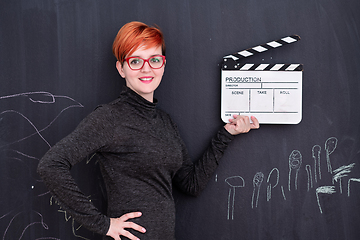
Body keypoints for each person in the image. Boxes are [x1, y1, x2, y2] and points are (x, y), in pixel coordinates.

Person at [37, 21, 259, 240]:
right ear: (121, 68)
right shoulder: (109, 118)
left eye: (154, 59)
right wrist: (103, 225)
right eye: (135, 61)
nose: (146, 68)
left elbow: (191, 184)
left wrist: (226, 134)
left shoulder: (165, 122)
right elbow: (51, 165)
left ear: (163, 65)